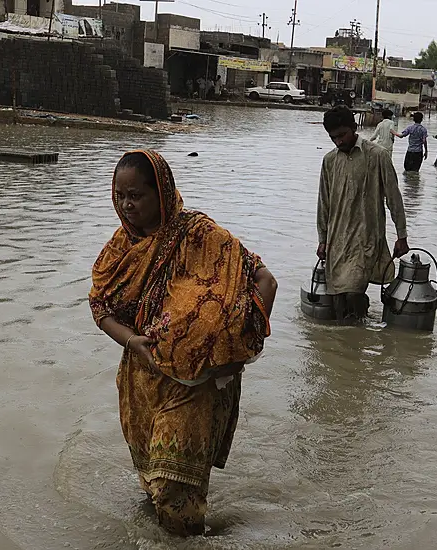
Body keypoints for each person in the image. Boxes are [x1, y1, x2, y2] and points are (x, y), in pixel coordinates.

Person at [90, 150, 277, 537]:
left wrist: (243, 346)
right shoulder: (120, 249)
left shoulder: (202, 235)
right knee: (153, 486)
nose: (127, 205)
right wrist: (132, 342)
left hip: (197, 388)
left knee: (177, 493)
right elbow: (100, 307)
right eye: (120, 195)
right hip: (142, 382)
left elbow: (265, 281)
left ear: (162, 192)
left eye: (137, 195)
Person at [318, 106, 409, 321]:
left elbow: (394, 199)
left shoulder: (377, 156)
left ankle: (355, 342)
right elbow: (323, 203)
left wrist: (402, 235)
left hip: (366, 239)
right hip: (337, 241)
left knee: (352, 291)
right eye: (333, 138)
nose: (338, 142)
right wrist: (322, 240)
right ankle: (350, 343)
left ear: (354, 128)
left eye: (342, 135)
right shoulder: (329, 161)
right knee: (338, 300)